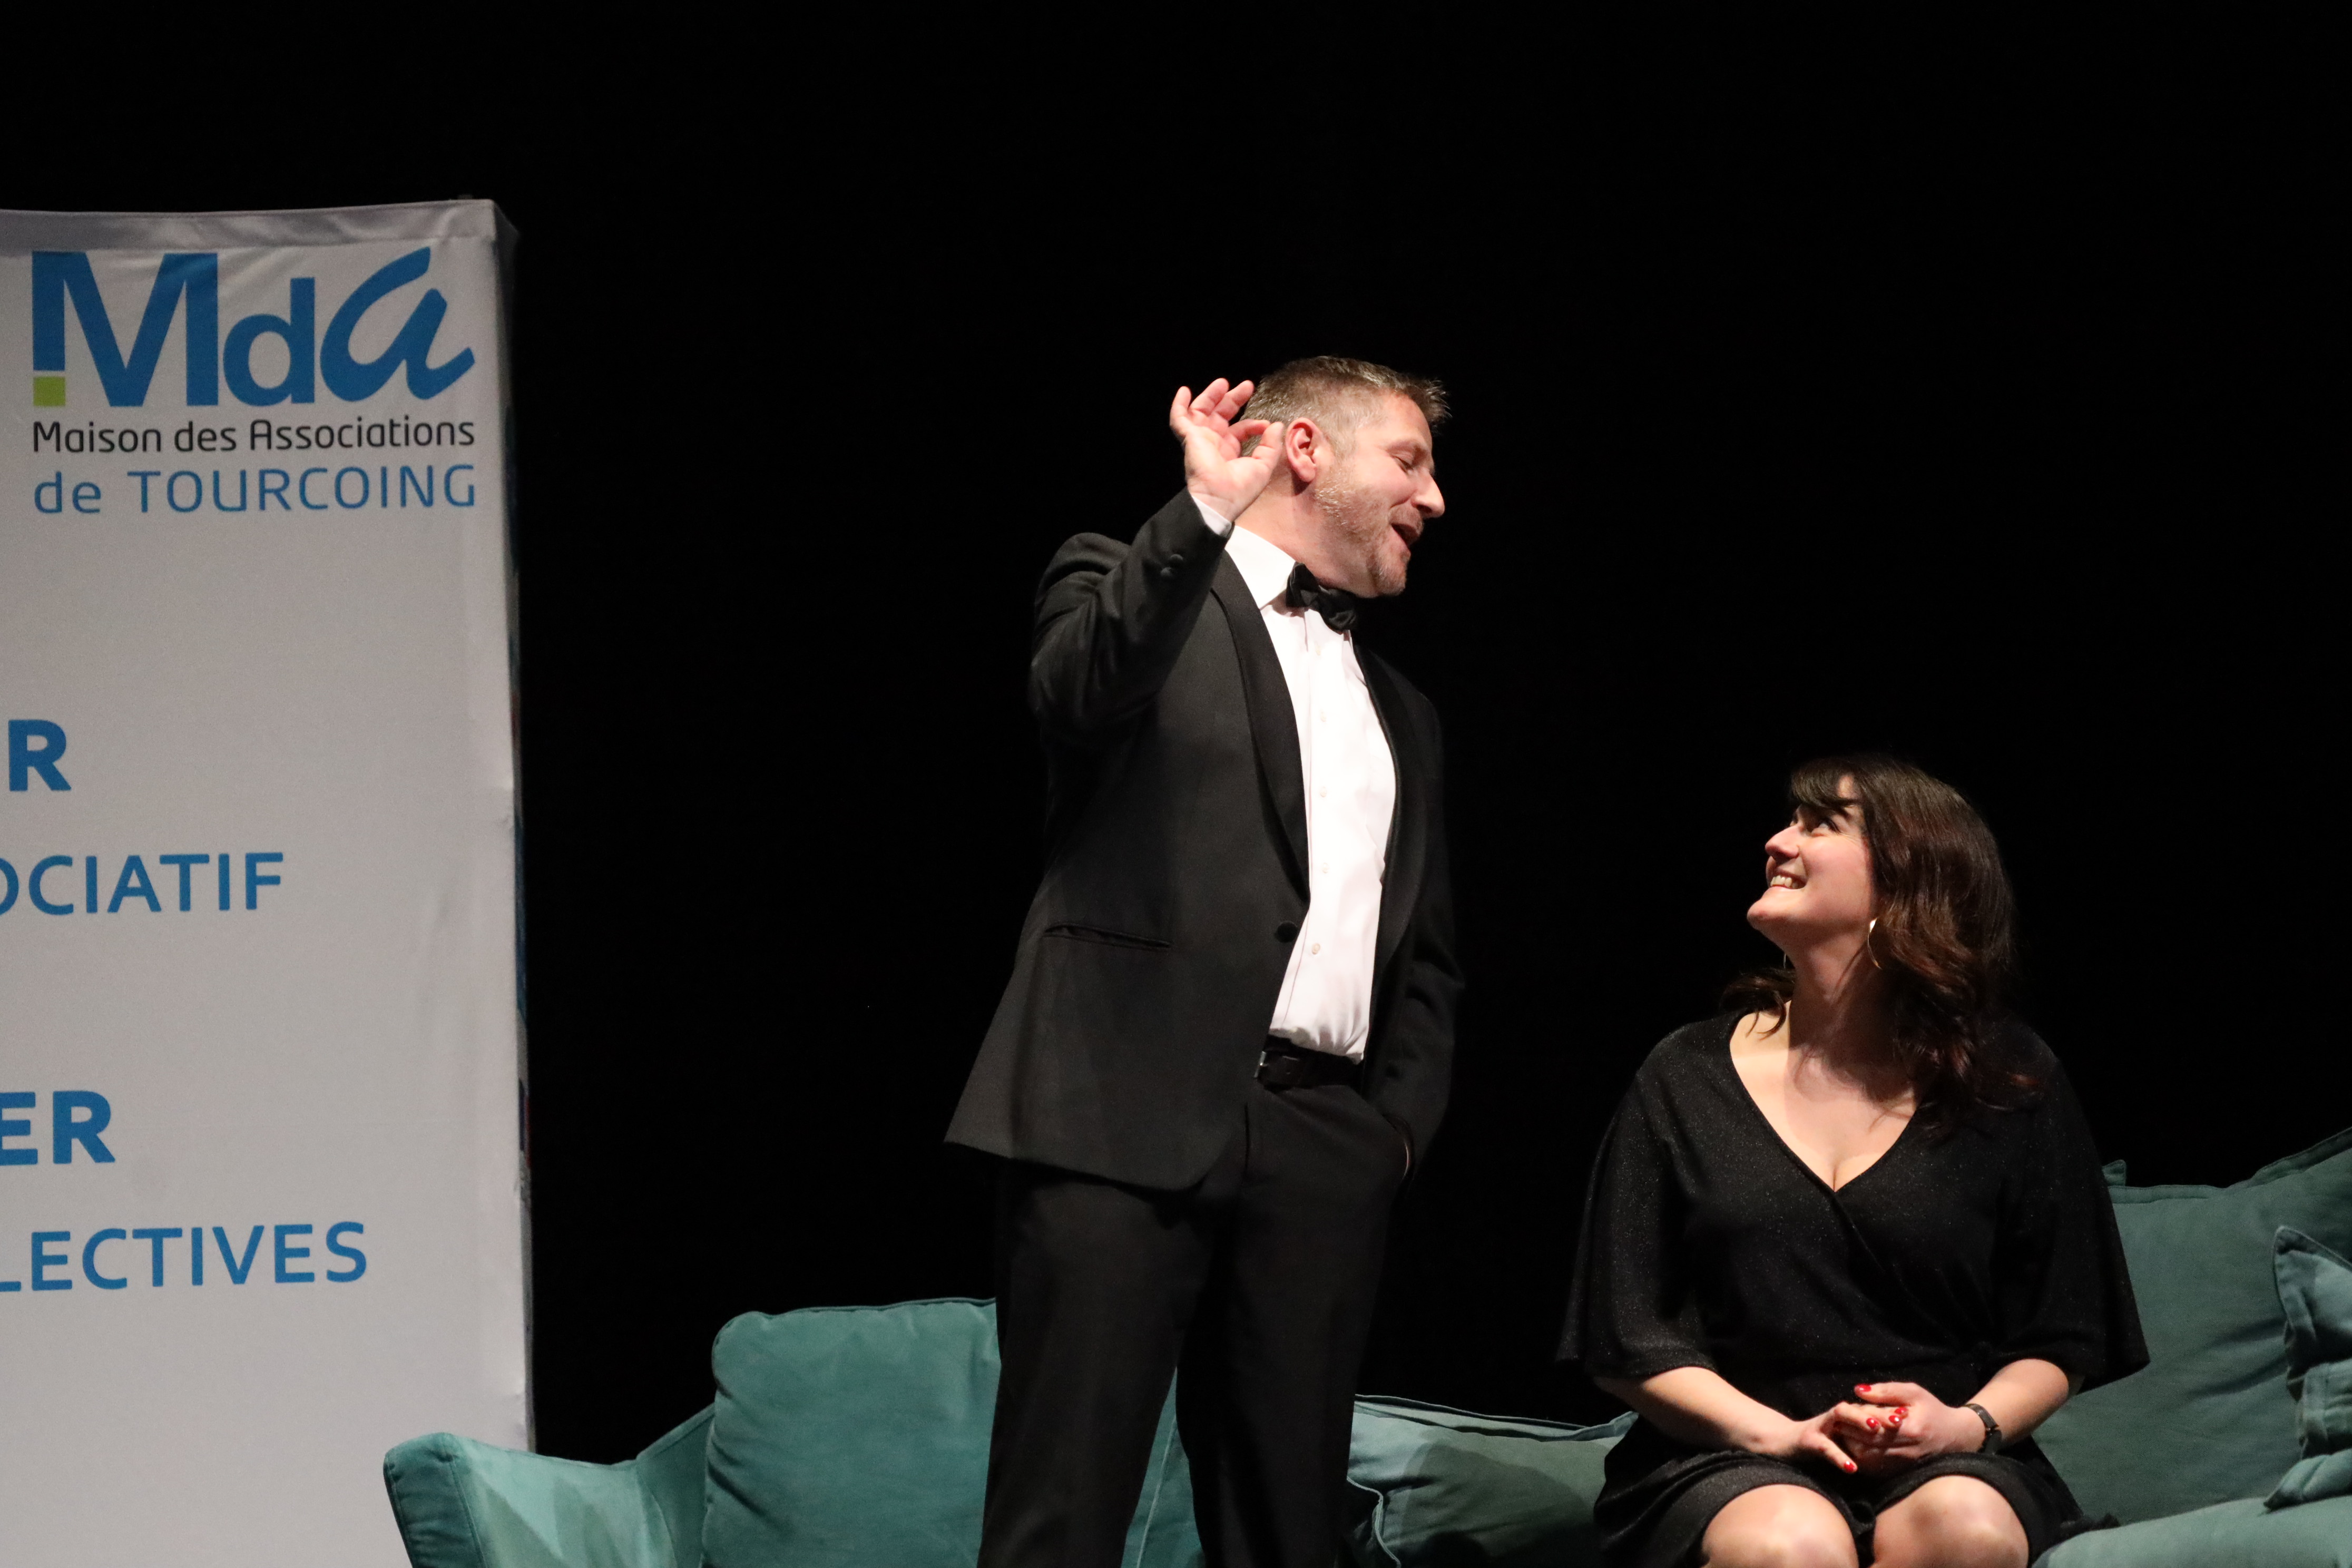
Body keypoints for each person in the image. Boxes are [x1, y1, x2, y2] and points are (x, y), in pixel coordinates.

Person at [947, 357, 1463, 1568]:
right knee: (1061, 1516)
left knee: (1287, 1528)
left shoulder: (1406, 710)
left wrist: (1387, 1137)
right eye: (1410, 461)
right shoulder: (1129, 581)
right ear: (1304, 449)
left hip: (1321, 1146)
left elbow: (1429, 954)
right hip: (1116, 1115)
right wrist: (1200, 516)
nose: (1434, 499)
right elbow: (1078, 689)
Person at [1560, 756, 2147, 1568]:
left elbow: (2064, 1330)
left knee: (1965, 1529)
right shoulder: (1684, 1075)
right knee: (1786, 1544)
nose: (1777, 842)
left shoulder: (2008, 1078)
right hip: (1727, 1453)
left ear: (1908, 878)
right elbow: (1628, 1337)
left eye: (1819, 825)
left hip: (1950, 1454)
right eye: (1788, 822)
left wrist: (1966, 1425)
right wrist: (1779, 1436)